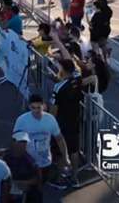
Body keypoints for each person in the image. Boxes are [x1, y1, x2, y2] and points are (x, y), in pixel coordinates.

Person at [13, 94, 70, 186]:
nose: (36, 111)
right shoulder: (22, 120)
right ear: (29, 107)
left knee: (41, 185)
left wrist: (65, 157)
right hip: (28, 162)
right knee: (31, 188)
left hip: (45, 162)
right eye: (33, 108)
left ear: (43, 106)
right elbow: (16, 141)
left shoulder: (50, 119)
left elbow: (59, 139)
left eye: (38, 107)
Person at [49, 59, 83, 187]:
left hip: (61, 123)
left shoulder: (58, 87)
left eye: (59, 67)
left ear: (63, 70)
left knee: (60, 151)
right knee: (74, 149)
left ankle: (60, 179)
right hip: (74, 120)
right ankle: (74, 177)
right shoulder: (77, 80)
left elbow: (53, 110)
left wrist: (50, 124)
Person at [0, 132, 42, 203]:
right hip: (0, 191)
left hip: (16, 194)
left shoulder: (29, 161)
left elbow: (37, 179)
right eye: (21, 142)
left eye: (25, 142)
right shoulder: (1, 154)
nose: (23, 145)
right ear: (13, 142)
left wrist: (25, 183)